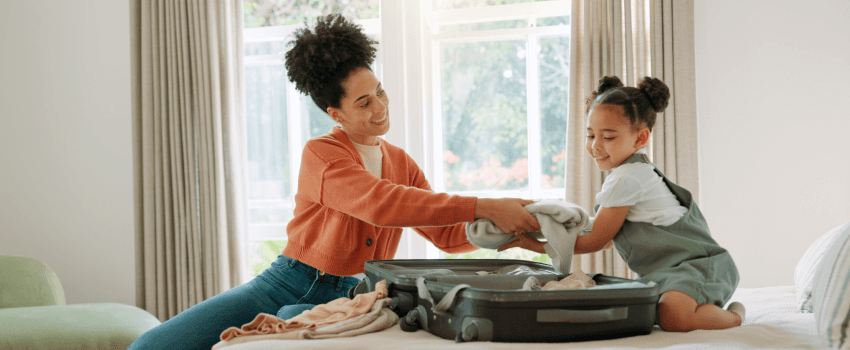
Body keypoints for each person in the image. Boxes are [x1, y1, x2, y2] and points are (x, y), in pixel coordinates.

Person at [128, 14, 540, 350]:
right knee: (150, 347)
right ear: (336, 113)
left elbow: (447, 235)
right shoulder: (322, 154)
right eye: (364, 102)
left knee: (285, 337)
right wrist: (485, 204)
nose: (380, 107)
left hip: (352, 296)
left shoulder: (401, 162)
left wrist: (512, 235)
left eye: (380, 92)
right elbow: (380, 203)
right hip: (283, 283)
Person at [500, 76, 744, 332]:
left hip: (699, 267)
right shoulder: (630, 172)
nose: (595, 146)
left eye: (608, 137)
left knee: (675, 317)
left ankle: (736, 317)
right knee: (646, 312)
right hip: (666, 273)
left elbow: (596, 240)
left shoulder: (628, 178)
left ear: (639, 139)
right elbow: (607, 238)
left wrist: (536, 246)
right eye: (590, 134)